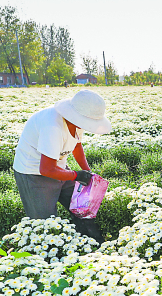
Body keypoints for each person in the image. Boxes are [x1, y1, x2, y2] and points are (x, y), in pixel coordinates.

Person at [13, 89, 111, 243]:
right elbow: (46, 169)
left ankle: (88, 242)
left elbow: (76, 145)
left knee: (81, 207)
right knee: (45, 225)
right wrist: (76, 175)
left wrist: (87, 172)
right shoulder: (52, 126)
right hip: (33, 173)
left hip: (57, 167)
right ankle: (49, 259)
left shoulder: (77, 121)